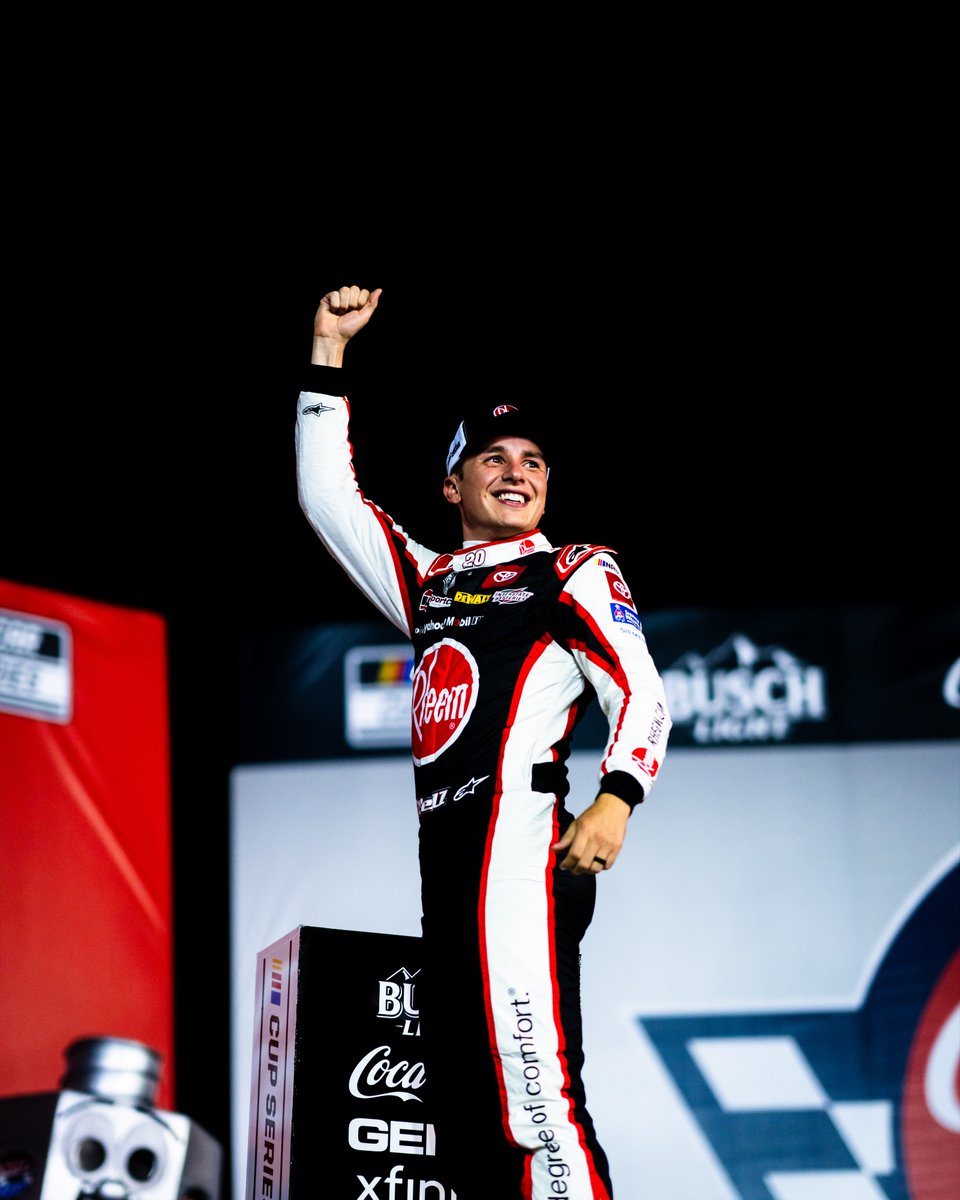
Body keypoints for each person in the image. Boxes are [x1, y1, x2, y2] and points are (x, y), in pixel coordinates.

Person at [296, 283, 672, 1200]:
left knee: (535, 1116)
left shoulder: (571, 570)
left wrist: (618, 798)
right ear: (451, 483)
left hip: (519, 876)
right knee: (470, 1127)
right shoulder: (426, 584)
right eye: (494, 457)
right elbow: (325, 498)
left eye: (535, 459)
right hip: (449, 882)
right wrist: (325, 351)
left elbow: (643, 691)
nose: (518, 471)